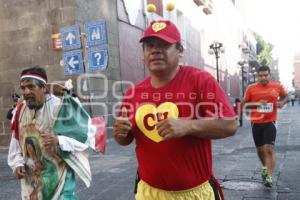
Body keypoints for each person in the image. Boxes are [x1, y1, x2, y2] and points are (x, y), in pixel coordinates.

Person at [113, 20, 238, 200]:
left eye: (164, 45)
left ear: (180, 50)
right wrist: (119, 134)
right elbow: (125, 139)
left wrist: (188, 127)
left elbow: (230, 125)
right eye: (149, 46)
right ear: (143, 55)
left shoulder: (200, 80)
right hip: (148, 193)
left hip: (194, 194)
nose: (155, 50)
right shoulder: (134, 93)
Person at [7, 66, 91, 200]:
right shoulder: (20, 110)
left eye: (31, 87)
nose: (26, 92)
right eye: (23, 88)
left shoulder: (61, 107)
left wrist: (59, 140)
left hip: (59, 178)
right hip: (31, 182)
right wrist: (17, 164)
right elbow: (16, 142)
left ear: (43, 88)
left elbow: (84, 140)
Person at [243, 65, 288, 188]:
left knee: (269, 148)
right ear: (257, 76)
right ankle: (264, 167)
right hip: (256, 122)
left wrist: (282, 103)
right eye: (260, 75)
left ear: (270, 75)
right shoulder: (251, 88)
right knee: (260, 150)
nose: (263, 77)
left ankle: (269, 176)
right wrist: (257, 104)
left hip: (270, 121)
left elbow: (285, 96)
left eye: (265, 75)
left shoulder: (277, 87)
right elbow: (244, 104)